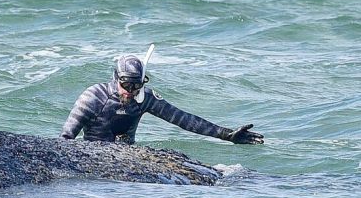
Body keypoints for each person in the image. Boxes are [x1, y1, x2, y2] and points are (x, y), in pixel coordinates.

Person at [61, 54, 264, 145]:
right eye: (126, 85)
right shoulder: (94, 96)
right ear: (116, 78)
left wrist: (226, 135)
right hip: (94, 154)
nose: (130, 91)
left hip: (128, 156)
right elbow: (66, 138)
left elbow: (183, 119)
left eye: (137, 85)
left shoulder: (145, 99)